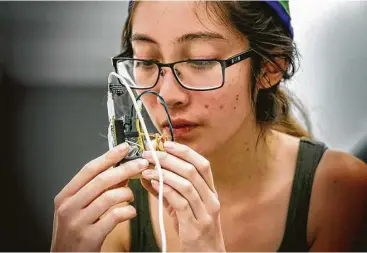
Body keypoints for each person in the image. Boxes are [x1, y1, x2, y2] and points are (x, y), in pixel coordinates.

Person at [50, 1, 367, 252]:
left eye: (200, 61)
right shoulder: (116, 211)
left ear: (270, 66)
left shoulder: (342, 194)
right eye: (146, 61)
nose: (168, 95)